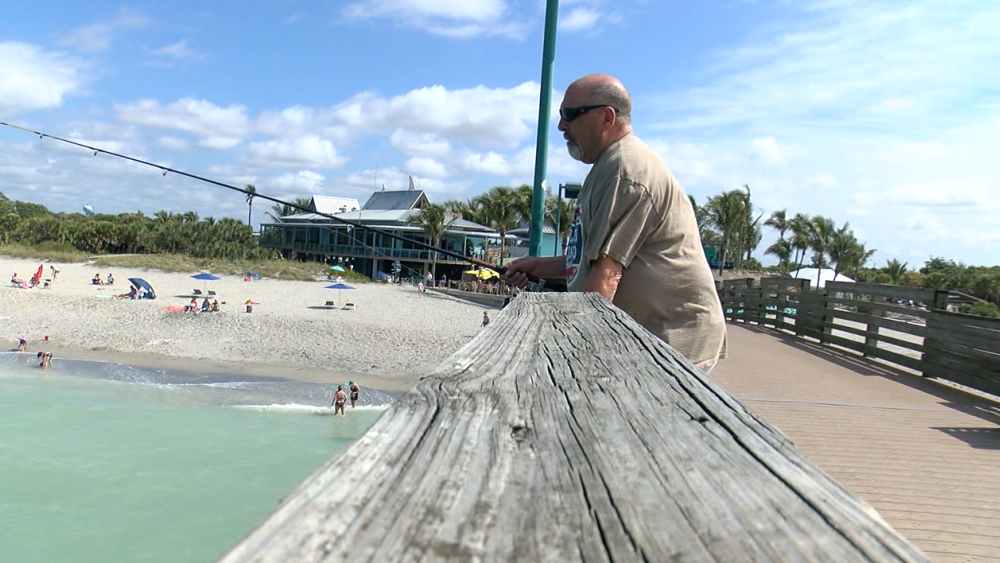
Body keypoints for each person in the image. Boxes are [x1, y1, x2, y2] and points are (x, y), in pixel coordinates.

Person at [505, 74, 726, 373]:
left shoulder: (625, 170)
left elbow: (607, 276)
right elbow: (591, 259)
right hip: (644, 337)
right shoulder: (607, 166)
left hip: (670, 342)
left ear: (607, 116)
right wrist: (536, 266)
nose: (561, 126)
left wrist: (574, 359)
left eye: (569, 115)